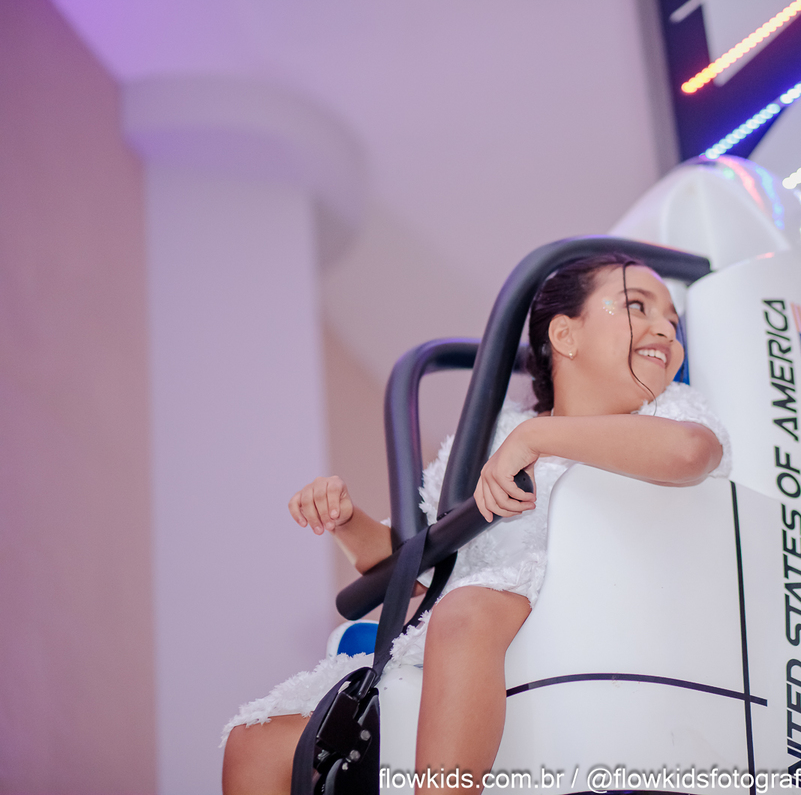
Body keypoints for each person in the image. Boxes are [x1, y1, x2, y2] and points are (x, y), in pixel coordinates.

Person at [220, 253, 732, 794]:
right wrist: (346, 521)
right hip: (453, 647)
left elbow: (688, 454)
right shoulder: (492, 434)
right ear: (565, 335)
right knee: (255, 743)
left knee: (467, 611)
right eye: (638, 306)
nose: (665, 329)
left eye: (672, 321)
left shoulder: (668, 412)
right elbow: (416, 560)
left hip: (579, 613)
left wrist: (539, 439)